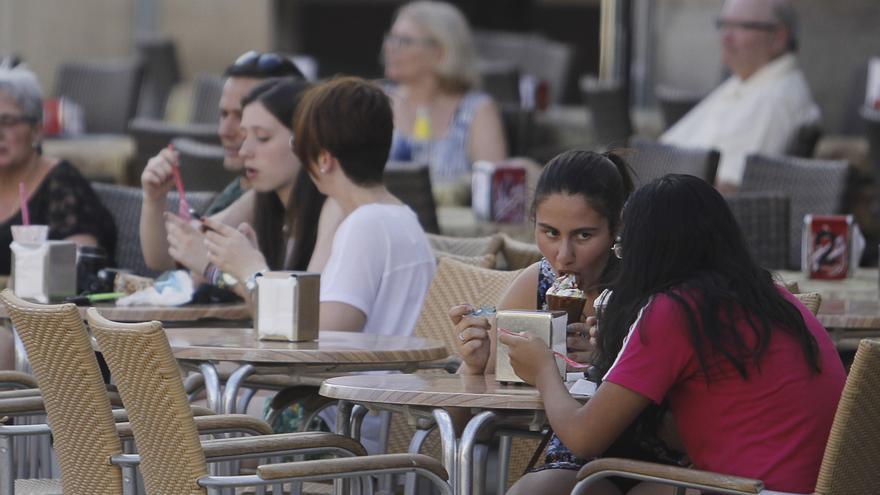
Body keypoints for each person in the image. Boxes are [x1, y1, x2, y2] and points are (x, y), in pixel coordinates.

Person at [500, 174, 846, 494]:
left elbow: (583, 438)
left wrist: (544, 369)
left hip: (745, 487)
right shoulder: (771, 297)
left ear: (646, 251)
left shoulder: (675, 309)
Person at [452, 150, 685, 494]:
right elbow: (465, 427)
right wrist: (473, 366)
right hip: (575, 464)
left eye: (583, 236)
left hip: (661, 464)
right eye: (549, 232)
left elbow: (689, 417)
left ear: (617, 227)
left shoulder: (650, 287)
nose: (563, 255)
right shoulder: (538, 283)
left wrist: (609, 366)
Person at [292, 76, 436, 452]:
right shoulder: (396, 216)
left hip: (352, 427)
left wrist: (248, 272)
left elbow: (324, 338)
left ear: (323, 159)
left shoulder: (366, 224)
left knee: (202, 421)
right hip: (388, 419)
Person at [159, 78, 340, 301]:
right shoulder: (262, 198)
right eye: (245, 137)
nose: (245, 151)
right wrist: (154, 199)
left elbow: (303, 314)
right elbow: (183, 249)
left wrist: (217, 271)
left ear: (303, 142)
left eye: (262, 138)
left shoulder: (335, 208)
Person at [140, 51, 304, 271]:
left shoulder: (327, 209)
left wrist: (213, 272)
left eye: (261, 133)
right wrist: (154, 199)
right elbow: (174, 259)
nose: (224, 130)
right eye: (223, 114)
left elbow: (305, 303)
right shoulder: (254, 193)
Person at [660, 0, 820, 192]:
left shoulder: (777, 97)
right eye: (724, 25)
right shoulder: (744, 81)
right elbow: (665, 148)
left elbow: (733, 186)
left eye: (742, 27)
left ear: (778, 38)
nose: (725, 37)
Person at [383, 0, 507, 205]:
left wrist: (456, 191)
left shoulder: (476, 109)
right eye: (391, 38)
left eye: (404, 41)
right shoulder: (378, 102)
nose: (390, 48)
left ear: (440, 52)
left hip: (451, 233)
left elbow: (496, 189)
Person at [0, 67, 116, 276]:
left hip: (50, 307)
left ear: (36, 130)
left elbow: (79, 261)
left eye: (7, 121)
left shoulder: (61, 182)